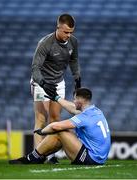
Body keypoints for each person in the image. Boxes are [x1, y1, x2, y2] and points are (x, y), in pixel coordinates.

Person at [9, 88, 111, 165]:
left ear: (80, 99)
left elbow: (56, 127)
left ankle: (33, 157)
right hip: (98, 157)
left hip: (91, 159)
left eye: (75, 99)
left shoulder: (84, 116)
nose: (73, 101)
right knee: (62, 133)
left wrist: (41, 131)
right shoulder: (95, 111)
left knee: (60, 131)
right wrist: (57, 98)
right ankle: (39, 156)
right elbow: (72, 109)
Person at [30, 13, 81, 163]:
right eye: (66, 32)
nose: (68, 35)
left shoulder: (73, 42)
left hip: (58, 82)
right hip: (41, 82)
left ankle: (50, 156)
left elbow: (74, 60)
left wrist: (77, 80)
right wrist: (44, 84)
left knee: (55, 119)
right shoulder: (45, 43)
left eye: (71, 32)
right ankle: (37, 156)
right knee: (40, 118)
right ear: (57, 28)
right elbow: (35, 68)